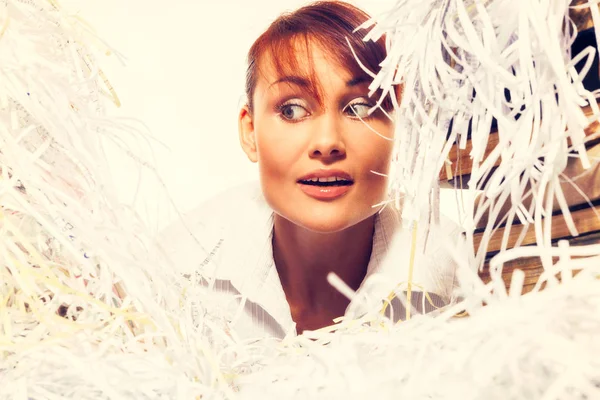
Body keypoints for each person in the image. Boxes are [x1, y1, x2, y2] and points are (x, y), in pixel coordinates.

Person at [160, 1, 461, 340]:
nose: (328, 142)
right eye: (291, 110)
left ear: (398, 128)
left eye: (360, 107)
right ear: (250, 132)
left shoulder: (457, 274)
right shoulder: (177, 271)